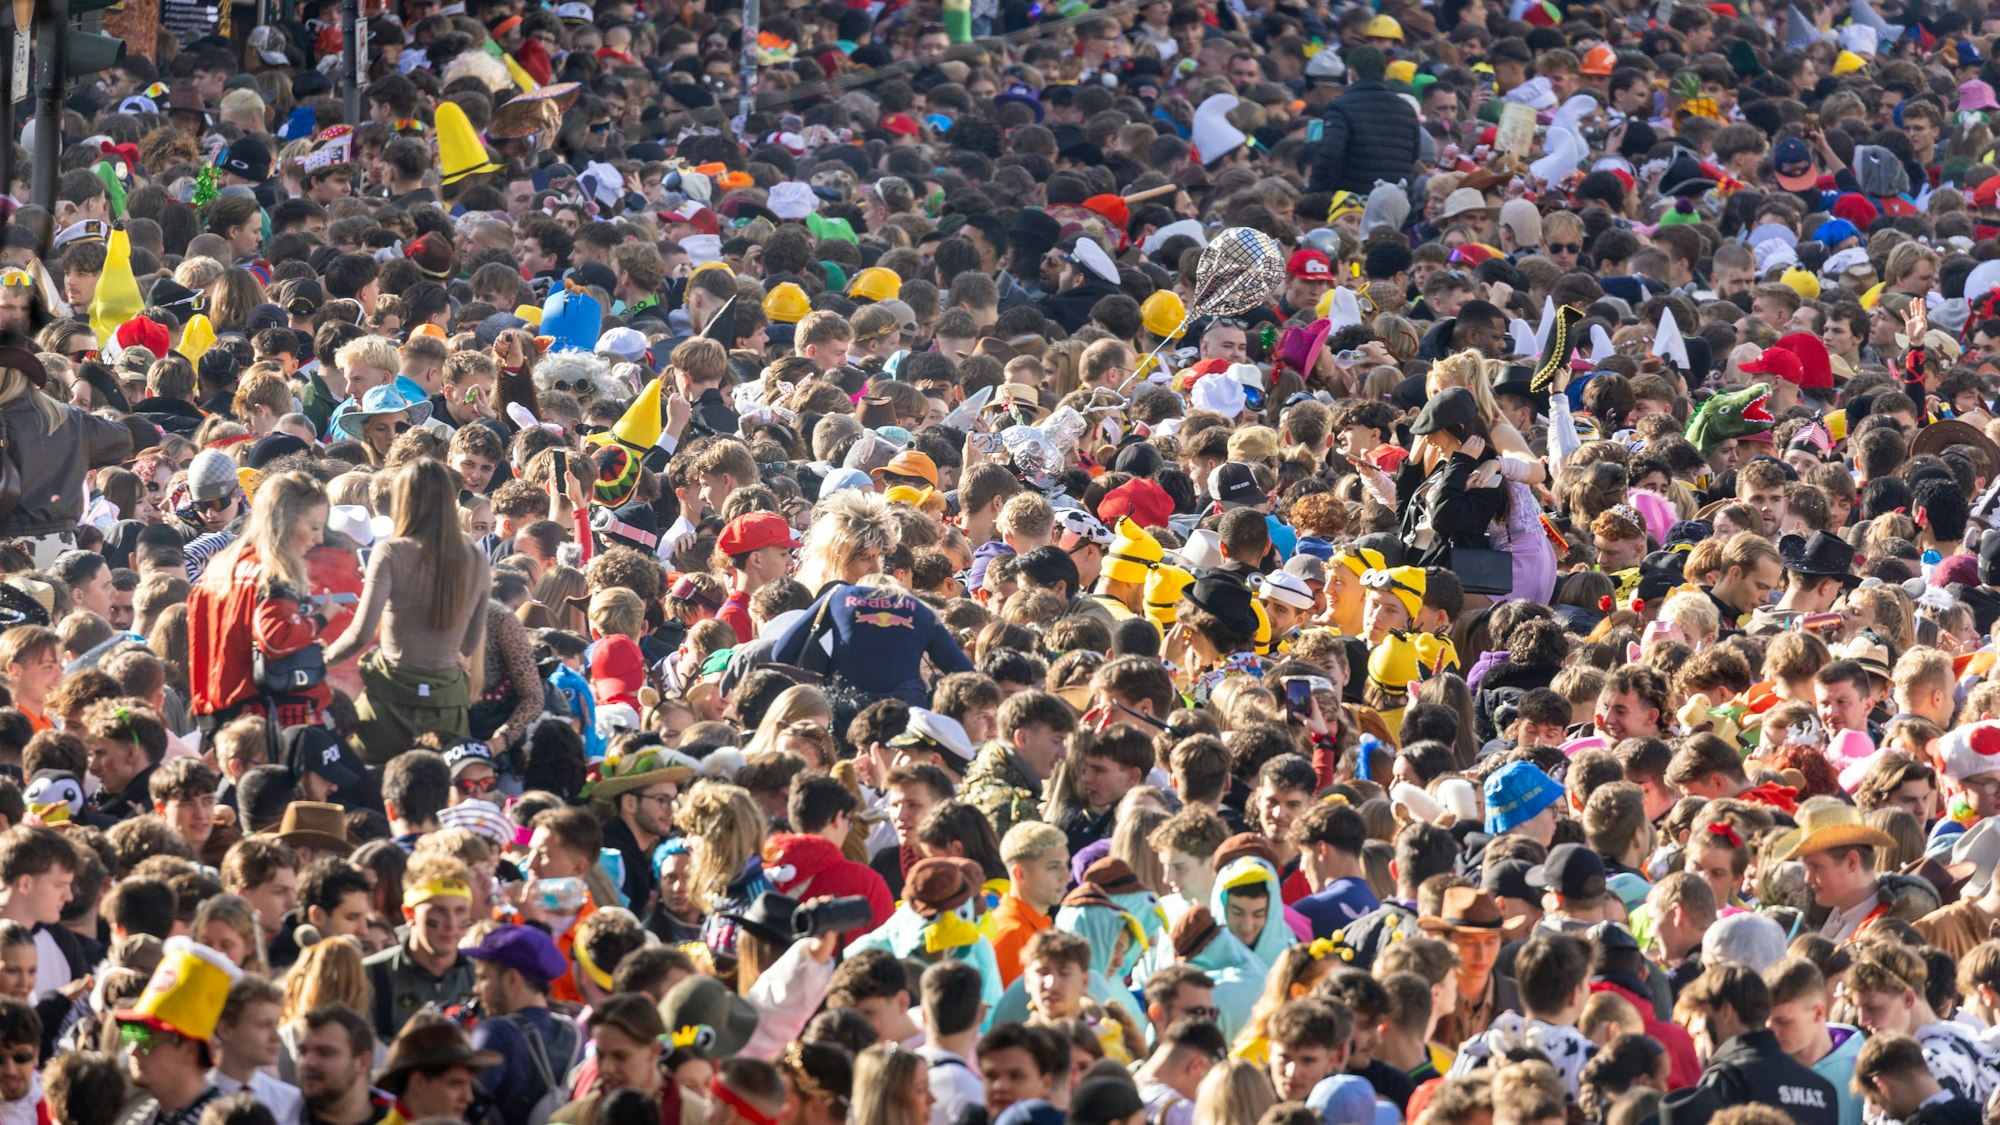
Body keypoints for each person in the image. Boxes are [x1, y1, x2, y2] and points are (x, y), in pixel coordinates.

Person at [323, 459, 489, 762]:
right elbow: (469, 643)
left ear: (402, 501)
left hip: (388, 703)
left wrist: (321, 662)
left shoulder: (390, 551)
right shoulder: (476, 558)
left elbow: (360, 635)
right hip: (447, 706)